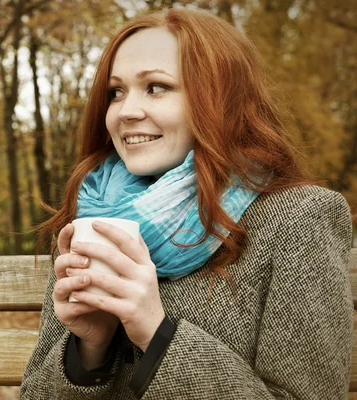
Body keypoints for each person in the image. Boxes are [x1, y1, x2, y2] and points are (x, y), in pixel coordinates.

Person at [19, 7, 353, 400]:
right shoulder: (93, 215)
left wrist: (157, 334)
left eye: (157, 87)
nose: (126, 111)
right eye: (116, 92)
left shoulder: (298, 219)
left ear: (222, 100)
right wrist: (88, 351)